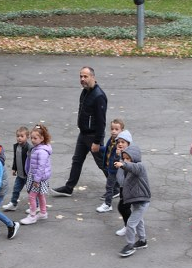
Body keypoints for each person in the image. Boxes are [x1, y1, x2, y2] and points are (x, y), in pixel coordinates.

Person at [52, 66, 107, 196]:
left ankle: (116, 187)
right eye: (81, 76)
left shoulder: (99, 96)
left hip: (93, 136)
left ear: (93, 77)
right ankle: (69, 188)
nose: (82, 79)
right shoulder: (85, 92)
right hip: (83, 134)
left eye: (85, 76)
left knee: (102, 163)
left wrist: (97, 141)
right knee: (77, 161)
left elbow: (101, 122)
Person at [115, 143, 150, 257]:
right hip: (135, 201)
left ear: (135, 158)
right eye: (124, 158)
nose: (126, 161)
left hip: (142, 201)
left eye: (128, 158)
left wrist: (123, 164)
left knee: (130, 224)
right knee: (139, 221)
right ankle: (142, 240)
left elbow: (133, 167)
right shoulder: (126, 169)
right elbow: (120, 180)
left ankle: (130, 245)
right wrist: (120, 165)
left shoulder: (140, 166)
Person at [21, 124, 53, 226]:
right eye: (31, 138)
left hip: (38, 178)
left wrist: (36, 180)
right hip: (36, 176)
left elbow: (41, 167)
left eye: (35, 138)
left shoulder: (42, 151)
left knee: (32, 196)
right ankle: (43, 213)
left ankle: (32, 216)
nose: (32, 140)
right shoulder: (36, 148)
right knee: (40, 195)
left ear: (42, 138)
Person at [96, 119, 125, 213]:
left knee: (110, 187)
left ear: (122, 130)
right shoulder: (111, 139)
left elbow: (122, 156)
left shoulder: (120, 142)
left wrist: (117, 155)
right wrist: (99, 148)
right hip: (111, 168)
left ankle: (107, 205)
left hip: (115, 169)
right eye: (112, 129)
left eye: (116, 129)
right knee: (116, 186)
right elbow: (108, 149)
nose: (113, 131)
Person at [3, 126, 31, 212]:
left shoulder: (29, 148)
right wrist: (14, 168)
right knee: (16, 189)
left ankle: (36, 206)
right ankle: (13, 204)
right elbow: (15, 158)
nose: (19, 138)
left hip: (28, 175)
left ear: (27, 137)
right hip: (20, 174)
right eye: (18, 136)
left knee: (31, 192)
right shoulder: (16, 146)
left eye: (22, 136)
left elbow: (32, 162)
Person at [111, 130, 134, 236]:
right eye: (118, 142)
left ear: (128, 144)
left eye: (123, 142)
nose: (120, 144)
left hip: (130, 186)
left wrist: (122, 160)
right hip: (122, 186)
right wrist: (117, 156)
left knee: (123, 207)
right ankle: (130, 225)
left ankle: (129, 227)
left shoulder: (131, 155)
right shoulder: (120, 154)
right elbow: (114, 166)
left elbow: (131, 168)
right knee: (124, 207)